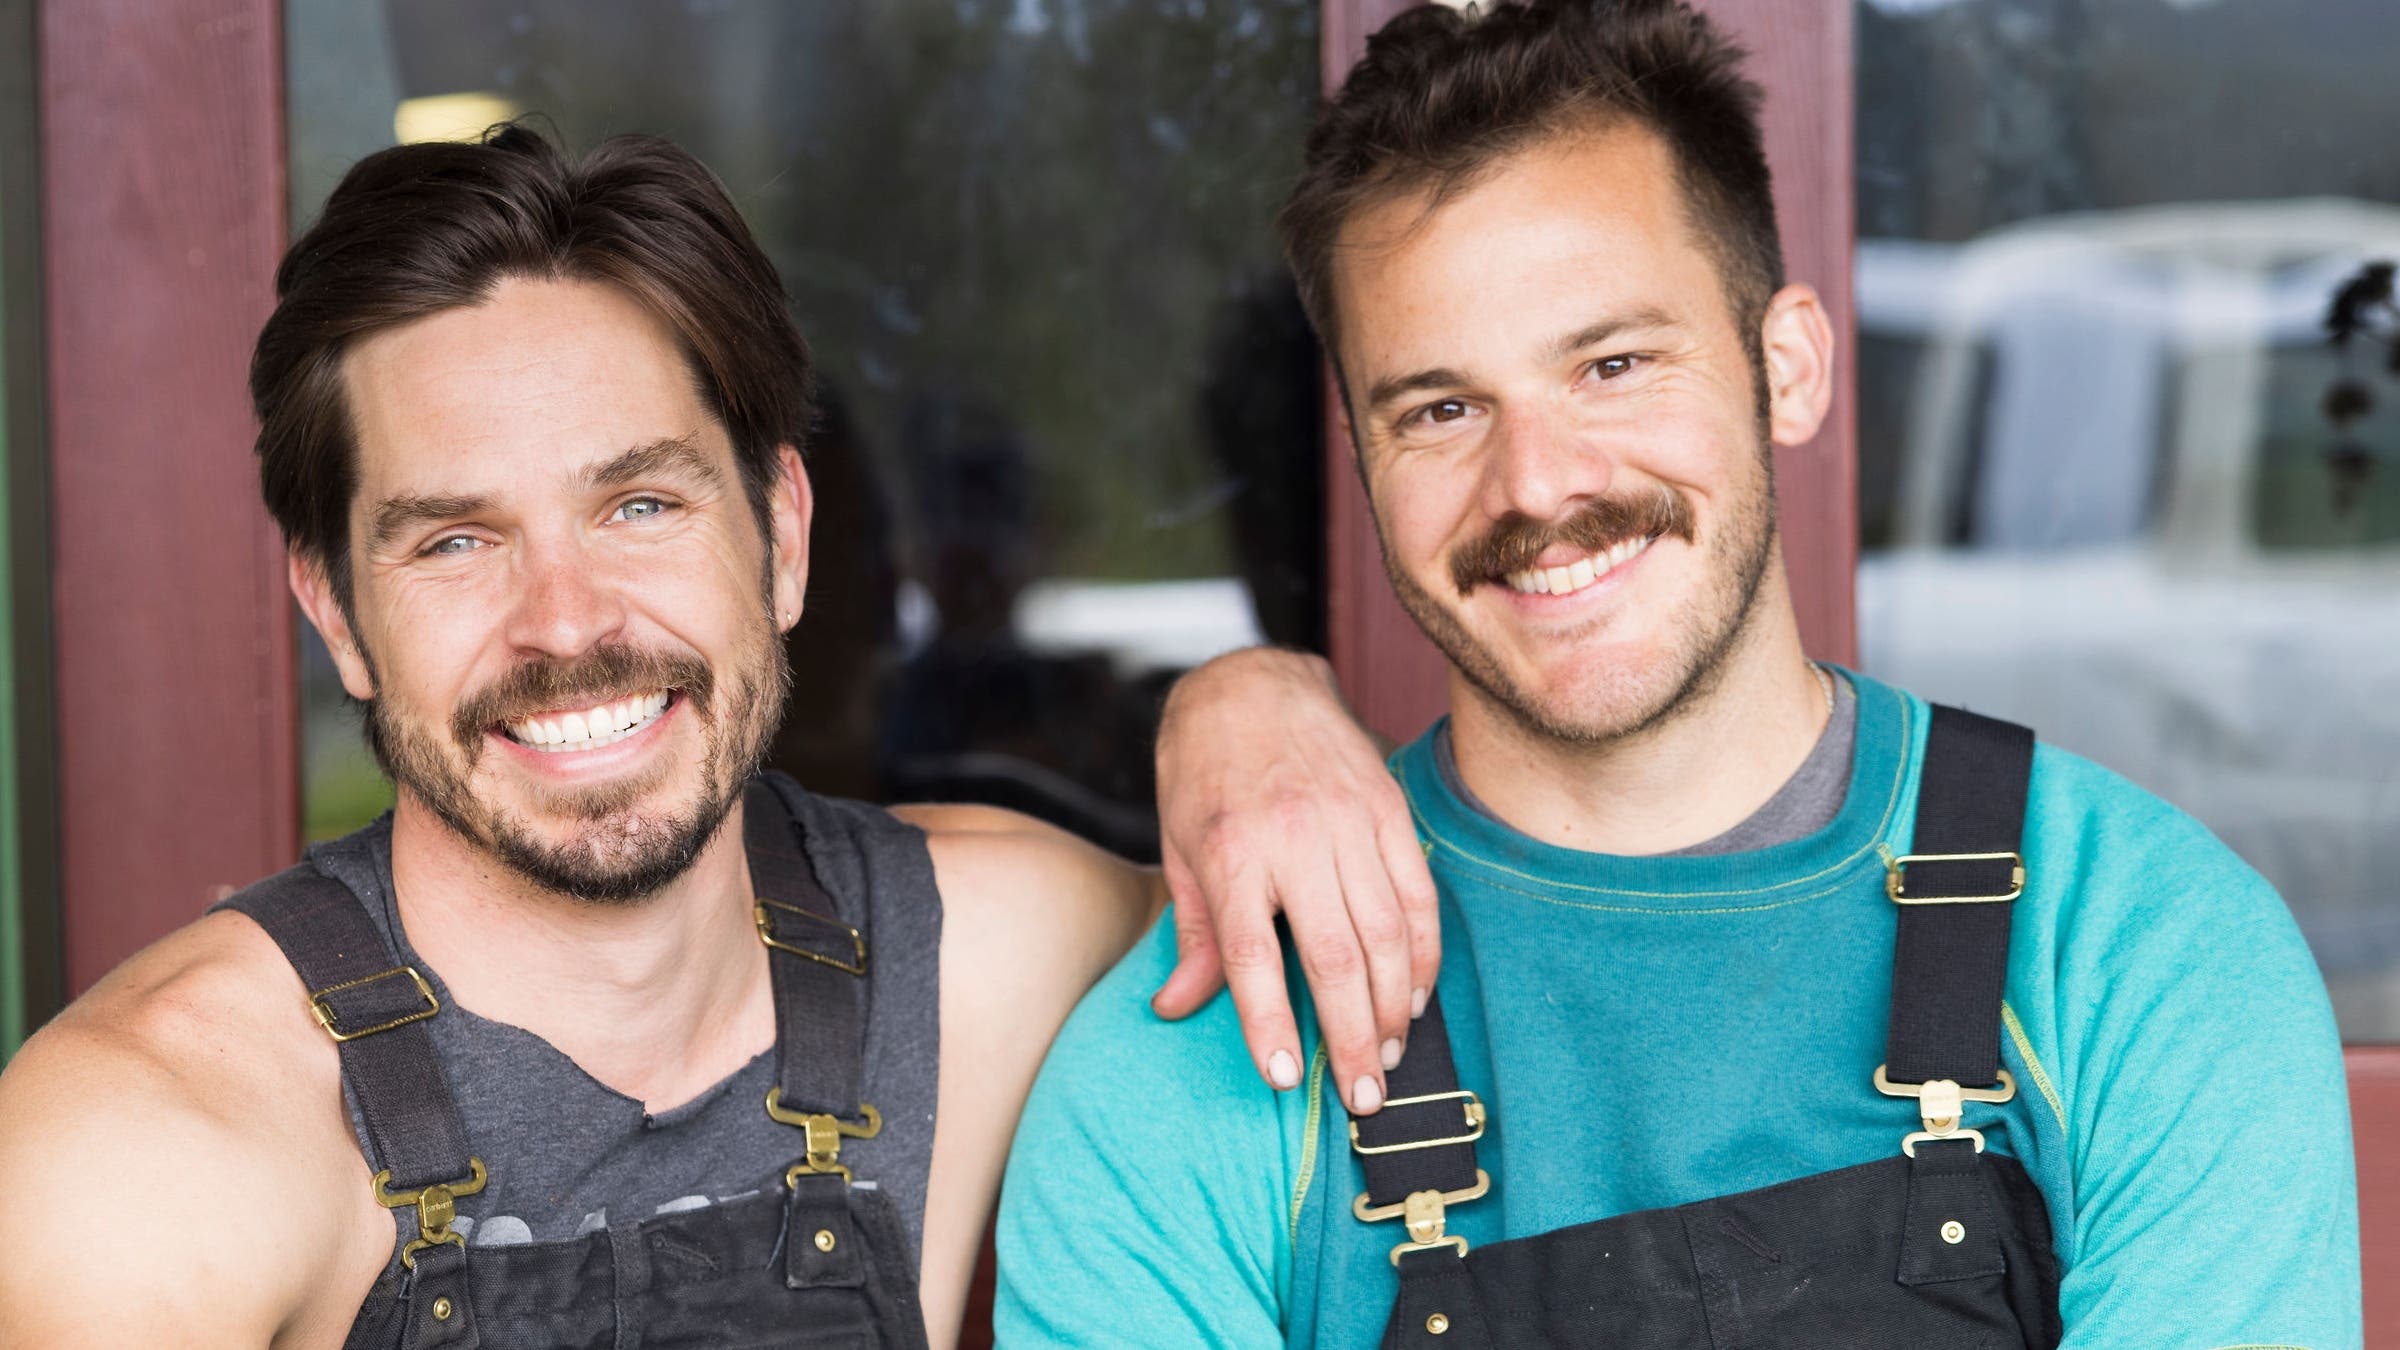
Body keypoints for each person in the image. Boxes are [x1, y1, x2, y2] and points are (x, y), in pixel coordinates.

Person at [998, 1, 2362, 1344]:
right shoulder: (1219, 1052)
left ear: (1790, 367)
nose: (1537, 485)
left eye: (1612, 362)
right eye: (1442, 409)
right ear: (1359, 459)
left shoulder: (2136, 947)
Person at [0, 126, 1427, 1350]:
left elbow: (1279, 925)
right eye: (452, 540)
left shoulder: (990, 950)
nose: (565, 624)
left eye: (641, 506)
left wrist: (1247, 700)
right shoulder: (132, 1153)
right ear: (338, 612)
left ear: (784, 535)